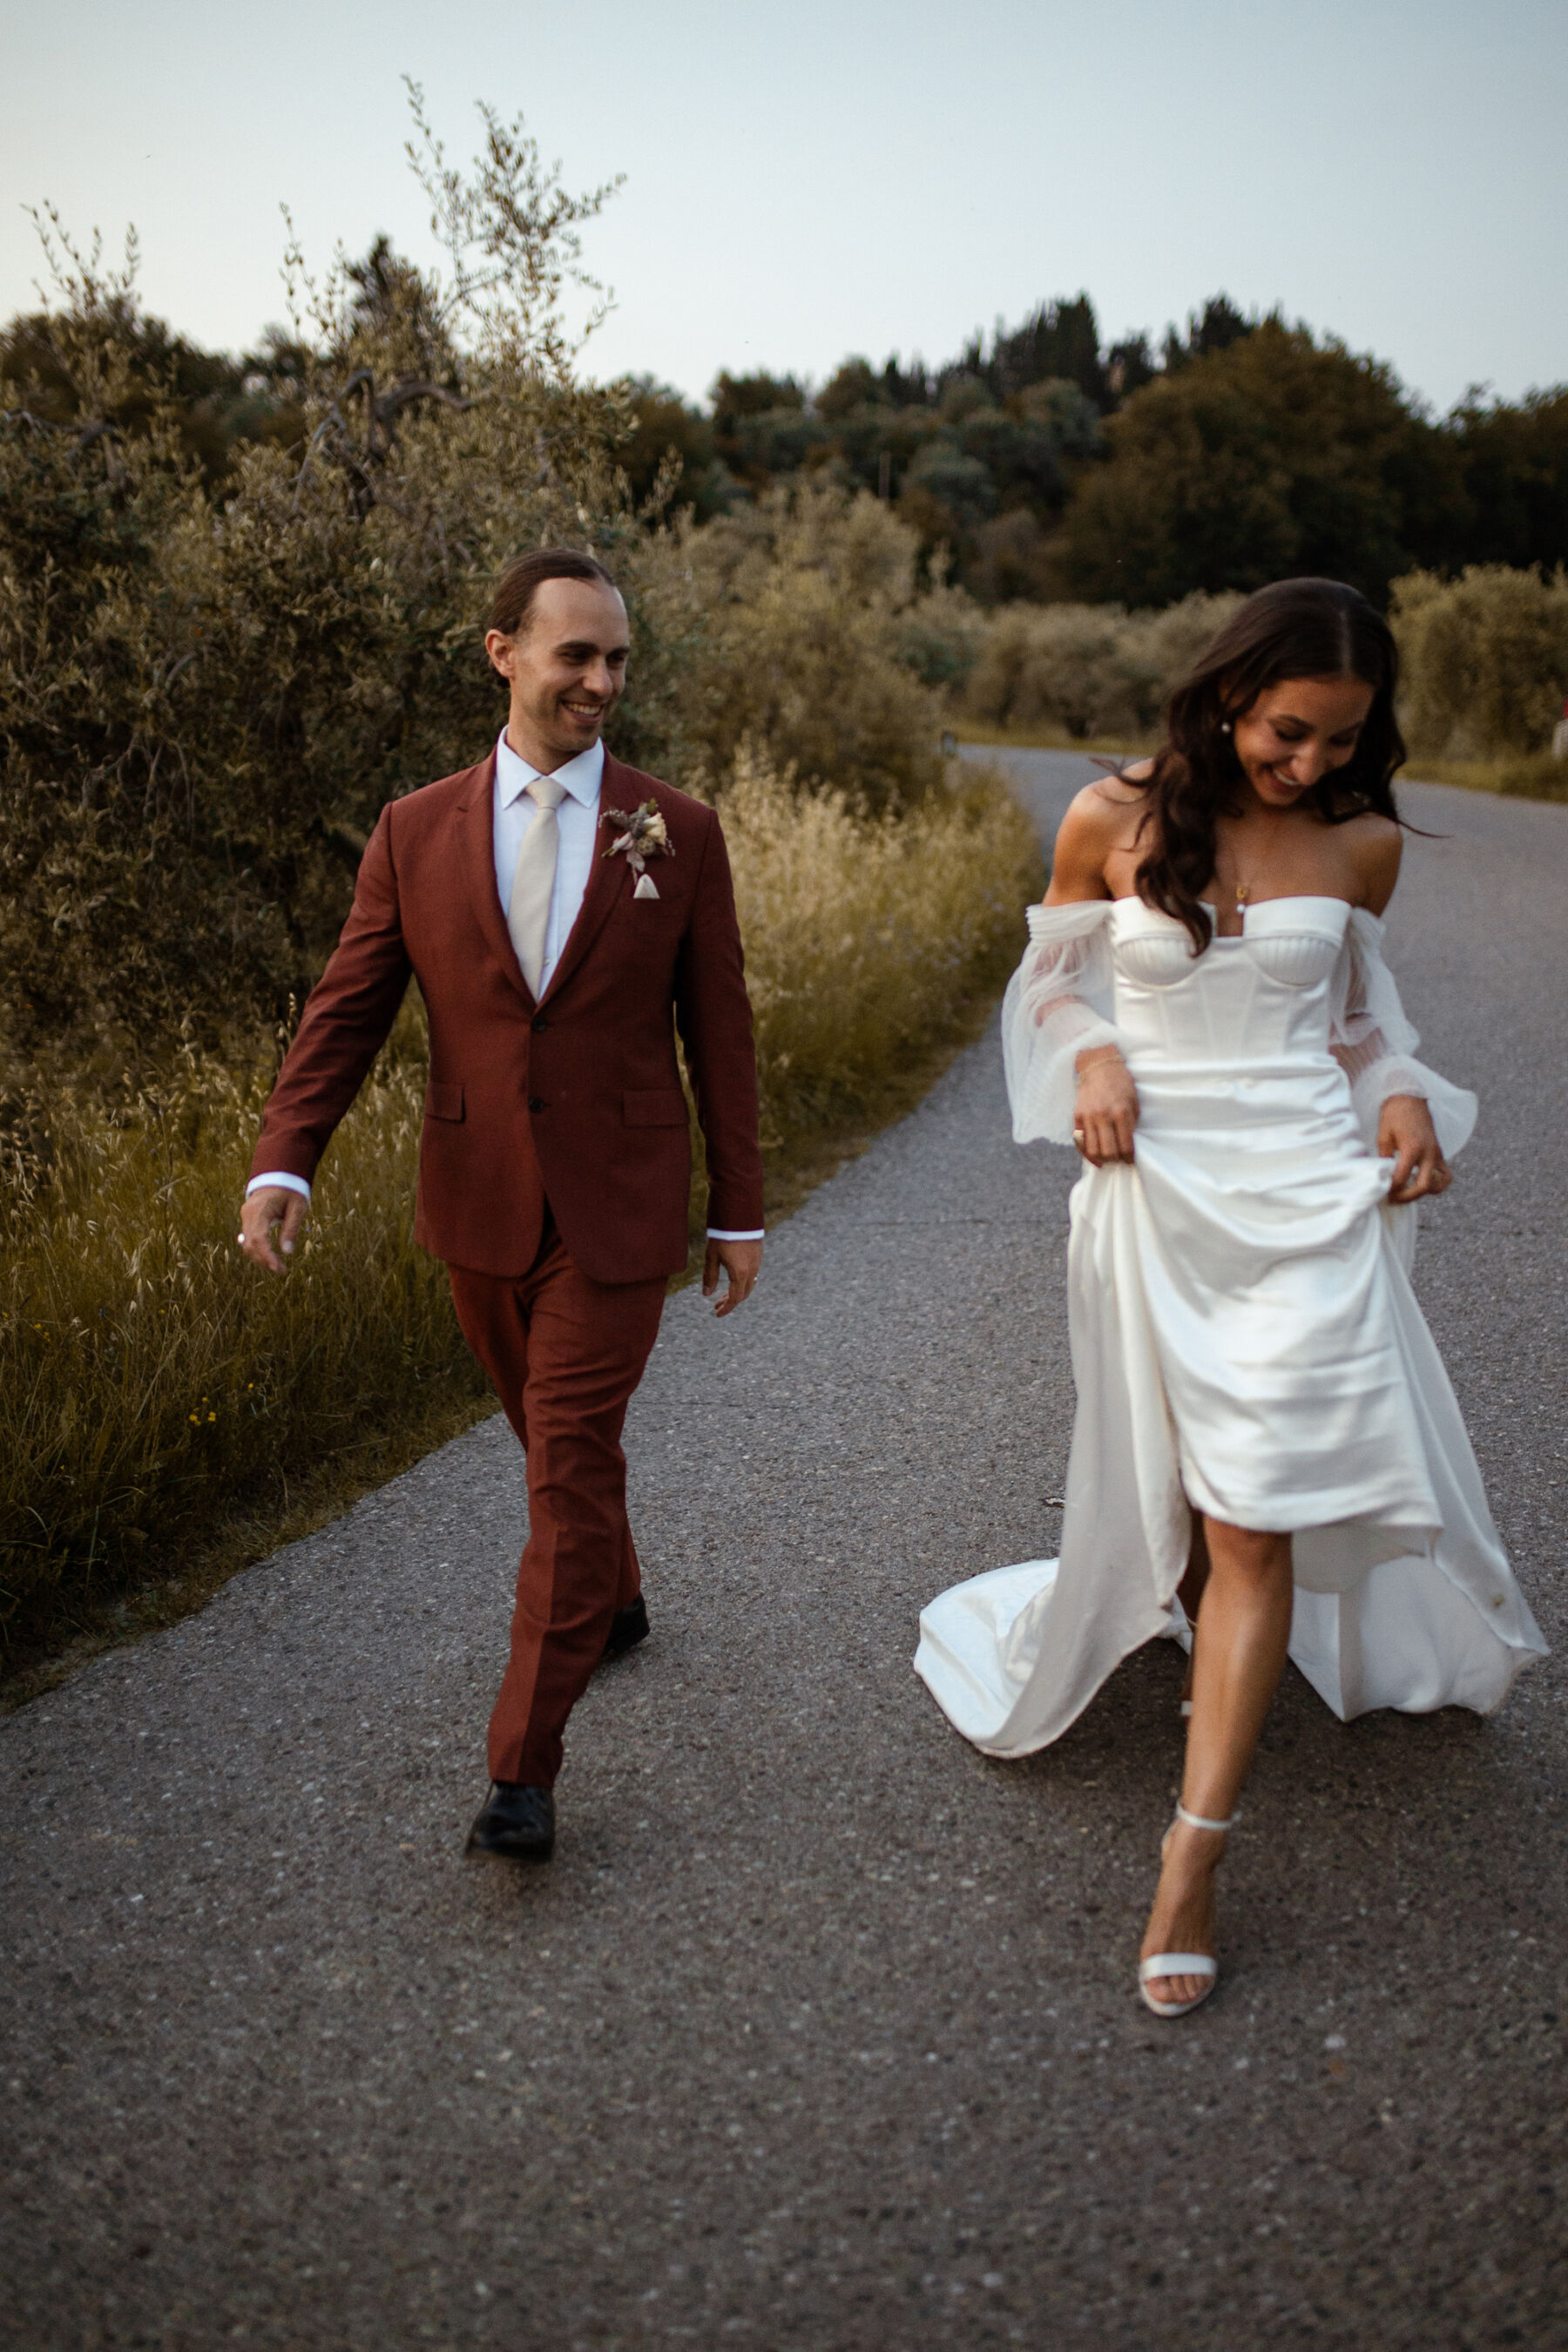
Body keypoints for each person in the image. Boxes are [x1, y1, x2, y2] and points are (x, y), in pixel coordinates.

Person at [915, 578, 1546, 2017]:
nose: (1311, 765)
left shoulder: (1364, 845)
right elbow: (1051, 988)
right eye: (1288, 730)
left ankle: (1191, 1858)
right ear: (1225, 691)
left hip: (1311, 1195)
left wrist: (1397, 1098)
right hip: (1157, 1190)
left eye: (1341, 740)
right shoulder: (1107, 820)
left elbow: (1358, 1023)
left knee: (1255, 1512)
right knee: (1208, 1494)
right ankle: (1197, 1629)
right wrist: (1091, 1055)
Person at [240, 547, 765, 1865]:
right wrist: (284, 1157)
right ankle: (621, 1595)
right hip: (476, 1203)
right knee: (555, 1452)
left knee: (564, 1464)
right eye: (576, 655)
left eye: (618, 660)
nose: (602, 682)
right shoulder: (414, 830)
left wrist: (739, 1210)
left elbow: (722, 1031)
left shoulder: (675, 829)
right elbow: (350, 1005)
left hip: (620, 1207)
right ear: (503, 653)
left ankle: (522, 1771)